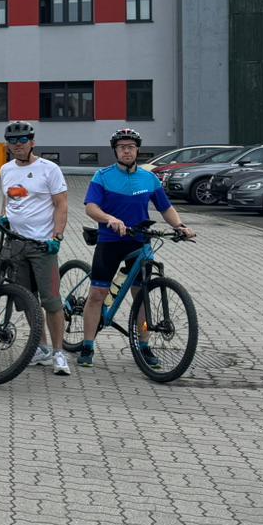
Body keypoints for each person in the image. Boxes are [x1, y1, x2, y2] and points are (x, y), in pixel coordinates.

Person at [81, 127, 195, 368]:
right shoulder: (103, 176)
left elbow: (165, 208)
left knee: (141, 295)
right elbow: (91, 207)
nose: (126, 151)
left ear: (137, 150)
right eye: (122, 147)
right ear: (115, 151)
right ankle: (88, 345)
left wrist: (180, 226)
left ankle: (144, 346)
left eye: (131, 147)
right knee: (98, 294)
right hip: (110, 241)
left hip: (140, 241)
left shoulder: (149, 178)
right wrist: (109, 219)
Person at [0, 119, 72, 376]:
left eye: (22, 140)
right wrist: (4, 217)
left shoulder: (49, 169)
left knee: (51, 301)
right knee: (27, 299)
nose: (17, 145)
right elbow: (9, 200)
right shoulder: (5, 169)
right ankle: (41, 348)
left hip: (42, 245)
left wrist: (57, 237)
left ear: (32, 142)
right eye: (12, 141)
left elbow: (61, 204)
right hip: (16, 244)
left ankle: (59, 353)